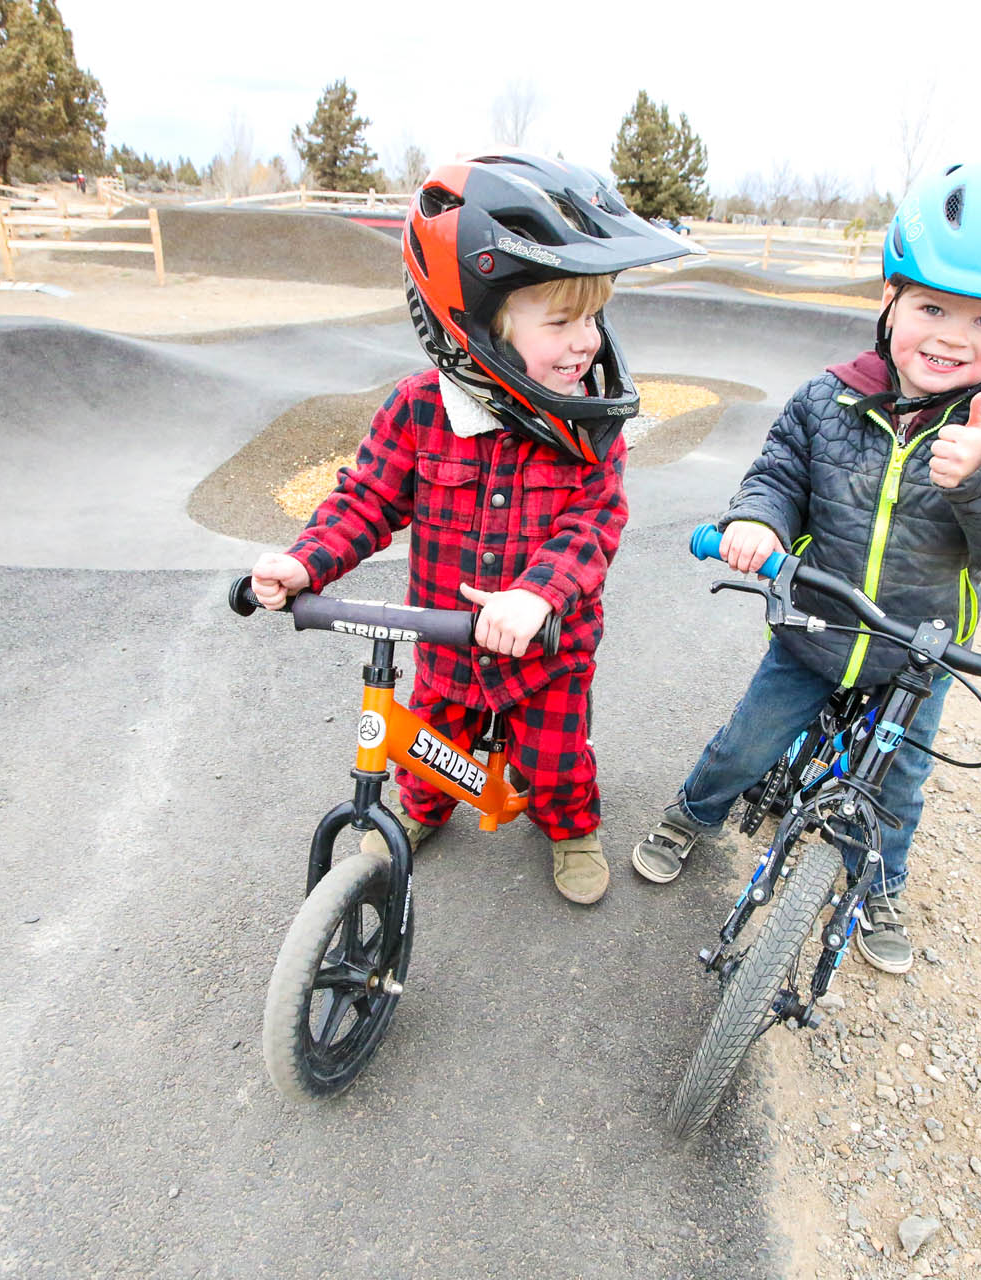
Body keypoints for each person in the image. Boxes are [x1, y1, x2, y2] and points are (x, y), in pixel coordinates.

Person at [631, 162, 981, 973]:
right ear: (890, 299)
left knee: (897, 789)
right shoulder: (826, 400)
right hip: (816, 627)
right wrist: (755, 525)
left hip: (919, 653)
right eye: (931, 307)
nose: (950, 336)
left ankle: (879, 885)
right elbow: (774, 477)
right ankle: (692, 816)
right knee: (749, 743)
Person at [249, 154, 694, 905]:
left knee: (556, 763)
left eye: (593, 316)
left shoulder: (587, 426)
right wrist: (305, 564)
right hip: (449, 642)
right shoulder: (420, 409)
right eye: (561, 321)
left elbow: (596, 520)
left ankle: (571, 827)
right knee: (427, 748)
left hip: (548, 650)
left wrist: (537, 596)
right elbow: (365, 502)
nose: (586, 341)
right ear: (477, 323)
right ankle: (425, 810)